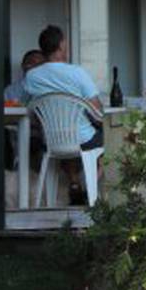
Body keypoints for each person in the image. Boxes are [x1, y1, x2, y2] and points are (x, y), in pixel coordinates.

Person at [23, 25, 102, 205]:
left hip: (52, 139)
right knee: (114, 138)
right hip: (82, 138)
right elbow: (98, 111)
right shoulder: (77, 72)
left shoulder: (32, 77)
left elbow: (27, 103)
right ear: (61, 46)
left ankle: (75, 183)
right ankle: (90, 186)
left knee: (68, 144)